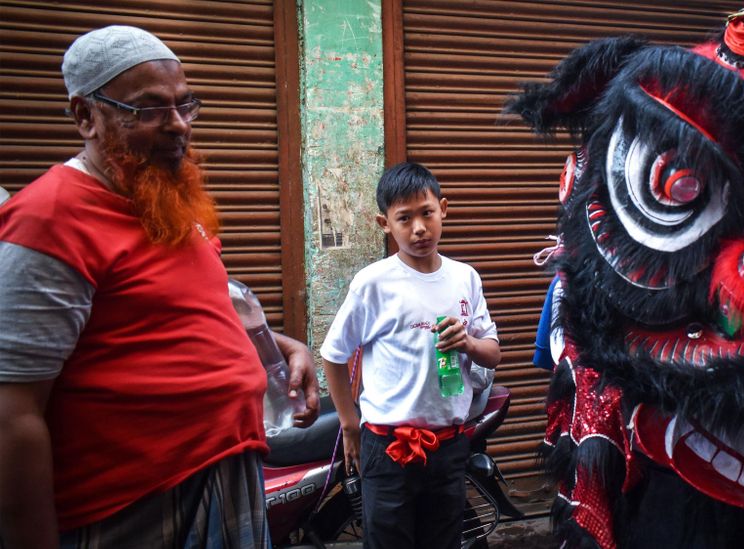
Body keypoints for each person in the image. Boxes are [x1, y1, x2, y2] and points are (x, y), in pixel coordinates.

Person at [0, 26, 319, 548]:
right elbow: (12, 416)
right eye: (148, 109)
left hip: (224, 474)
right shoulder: (49, 220)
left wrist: (283, 347)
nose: (178, 126)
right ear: (86, 116)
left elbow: (182, 315)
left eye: (184, 105)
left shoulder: (166, 202)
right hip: (135, 503)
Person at [320, 162, 501, 549]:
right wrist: (350, 425)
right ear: (384, 223)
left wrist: (468, 343)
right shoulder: (374, 283)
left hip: (449, 445)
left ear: (444, 209)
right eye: (404, 218)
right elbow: (334, 355)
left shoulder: (465, 277)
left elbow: (493, 353)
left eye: (427, 213)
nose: (419, 228)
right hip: (388, 449)